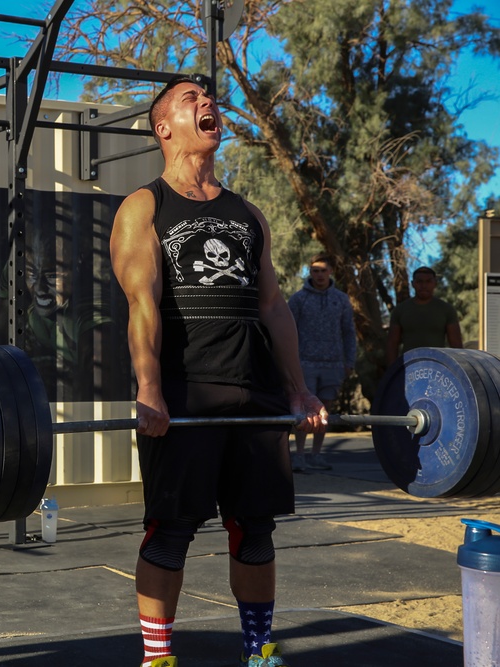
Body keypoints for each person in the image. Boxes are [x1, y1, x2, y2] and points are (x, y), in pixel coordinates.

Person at [110, 77, 326, 667]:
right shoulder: (144, 208)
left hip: (254, 392)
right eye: (190, 100)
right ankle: (158, 659)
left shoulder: (247, 212)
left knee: (255, 529)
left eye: (209, 98)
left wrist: (298, 388)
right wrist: (150, 388)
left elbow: (273, 306)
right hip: (183, 394)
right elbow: (142, 303)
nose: (207, 103)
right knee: (172, 529)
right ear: (164, 128)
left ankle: (259, 652)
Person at [286, 254, 356, 472]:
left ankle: (317, 454)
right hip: (304, 362)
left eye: (323, 270)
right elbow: (288, 332)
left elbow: (348, 332)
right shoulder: (299, 299)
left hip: (333, 364)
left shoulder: (341, 299)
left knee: (325, 410)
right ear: (310, 272)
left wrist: (349, 361)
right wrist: (290, 363)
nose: (319, 275)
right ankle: (299, 456)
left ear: (331, 272)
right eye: (315, 271)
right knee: (304, 410)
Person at [386, 266, 463, 365]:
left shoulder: (446, 310)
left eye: (428, 281)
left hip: (437, 366)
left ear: (435, 283)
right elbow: (392, 344)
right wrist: (392, 372)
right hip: (409, 366)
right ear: (413, 284)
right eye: (419, 282)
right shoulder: (400, 310)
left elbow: (456, 345)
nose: (424, 285)